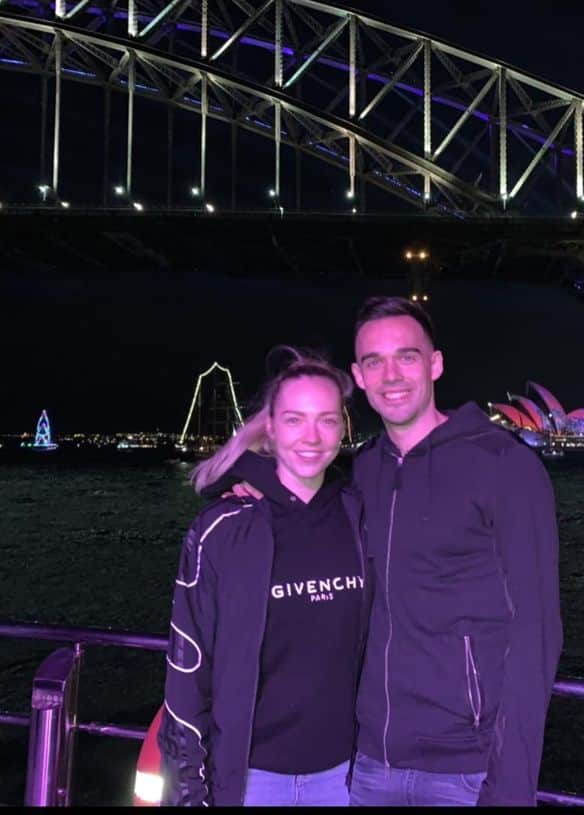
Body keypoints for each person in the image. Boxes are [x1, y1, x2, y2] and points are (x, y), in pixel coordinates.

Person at [231, 297, 563, 806]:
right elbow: (297, 495)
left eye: (406, 357)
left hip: (468, 771)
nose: (391, 375)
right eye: (373, 362)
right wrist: (248, 490)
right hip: (367, 764)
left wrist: (512, 787)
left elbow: (538, 633)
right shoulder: (362, 473)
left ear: (435, 364)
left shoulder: (505, 467)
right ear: (358, 378)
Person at [157, 349, 370, 807]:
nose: (312, 437)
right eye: (295, 420)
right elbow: (187, 672)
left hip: (345, 777)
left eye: (327, 420)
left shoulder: (357, 517)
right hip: (251, 780)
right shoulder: (222, 529)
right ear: (270, 428)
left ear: (343, 427)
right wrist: (188, 791)